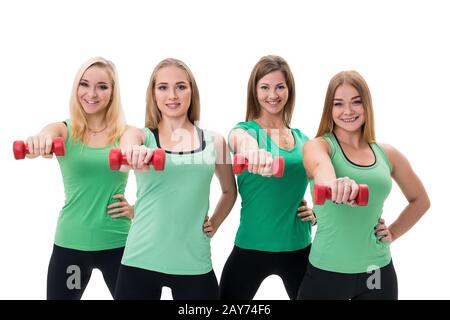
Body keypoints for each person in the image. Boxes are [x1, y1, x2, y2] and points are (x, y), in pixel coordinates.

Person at [297, 70, 430, 300]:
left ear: (366, 105)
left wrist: (393, 232)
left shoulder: (387, 154)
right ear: (330, 109)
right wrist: (336, 184)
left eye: (356, 102)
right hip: (326, 273)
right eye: (338, 104)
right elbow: (321, 169)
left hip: (375, 273)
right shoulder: (318, 146)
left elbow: (420, 200)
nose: (348, 111)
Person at [114, 58, 237, 300]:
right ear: (153, 94)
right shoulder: (139, 135)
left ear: (192, 91)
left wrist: (215, 223)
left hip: (194, 262)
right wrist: (134, 152)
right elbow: (127, 147)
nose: (172, 95)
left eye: (181, 86)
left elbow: (229, 192)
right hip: (140, 260)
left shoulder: (216, 142)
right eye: (163, 87)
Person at [23, 57, 134, 299]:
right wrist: (40, 139)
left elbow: (159, 183)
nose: (91, 93)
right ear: (76, 88)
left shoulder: (127, 134)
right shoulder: (64, 129)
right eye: (84, 84)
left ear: (113, 92)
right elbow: (47, 134)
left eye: (102, 86)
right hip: (71, 245)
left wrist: (137, 210)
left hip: (119, 244)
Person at [218, 55, 316, 300]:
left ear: (289, 91)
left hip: (299, 248)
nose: (273, 94)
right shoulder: (244, 131)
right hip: (251, 246)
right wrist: (255, 153)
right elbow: (240, 142)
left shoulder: (304, 140)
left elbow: (323, 181)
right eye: (265, 87)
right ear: (255, 91)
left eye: (280, 87)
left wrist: (317, 213)